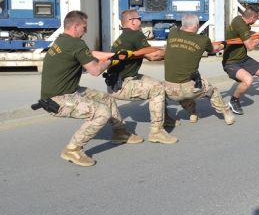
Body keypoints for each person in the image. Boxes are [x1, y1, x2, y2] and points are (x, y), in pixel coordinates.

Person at [40, 10, 142, 167]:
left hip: (67, 90)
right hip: (57, 99)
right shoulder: (76, 44)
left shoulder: (62, 40)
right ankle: (72, 149)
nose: (86, 30)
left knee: (106, 98)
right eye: (84, 27)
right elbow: (95, 70)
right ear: (75, 26)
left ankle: (120, 132)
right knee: (102, 112)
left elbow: (91, 53)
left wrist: (114, 55)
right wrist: (111, 61)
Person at [104, 9, 177, 144]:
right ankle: (156, 132)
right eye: (139, 19)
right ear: (132, 21)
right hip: (121, 85)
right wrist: (173, 53)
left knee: (159, 84)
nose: (141, 21)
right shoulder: (135, 35)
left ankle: (165, 119)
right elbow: (152, 56)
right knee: (157, 89)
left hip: (118, 81)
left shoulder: (125, 36)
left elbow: (149, 50)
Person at [163, 13, 235, 125]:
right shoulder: (203, 39)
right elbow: (214, 50)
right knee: (212, 90)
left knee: (182, 93)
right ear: (196, 26)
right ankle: (227, 114)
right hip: (188, 89)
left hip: (169, 90)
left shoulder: (172, 33)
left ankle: (193, 114)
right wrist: (223, 45)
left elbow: (180, 30)